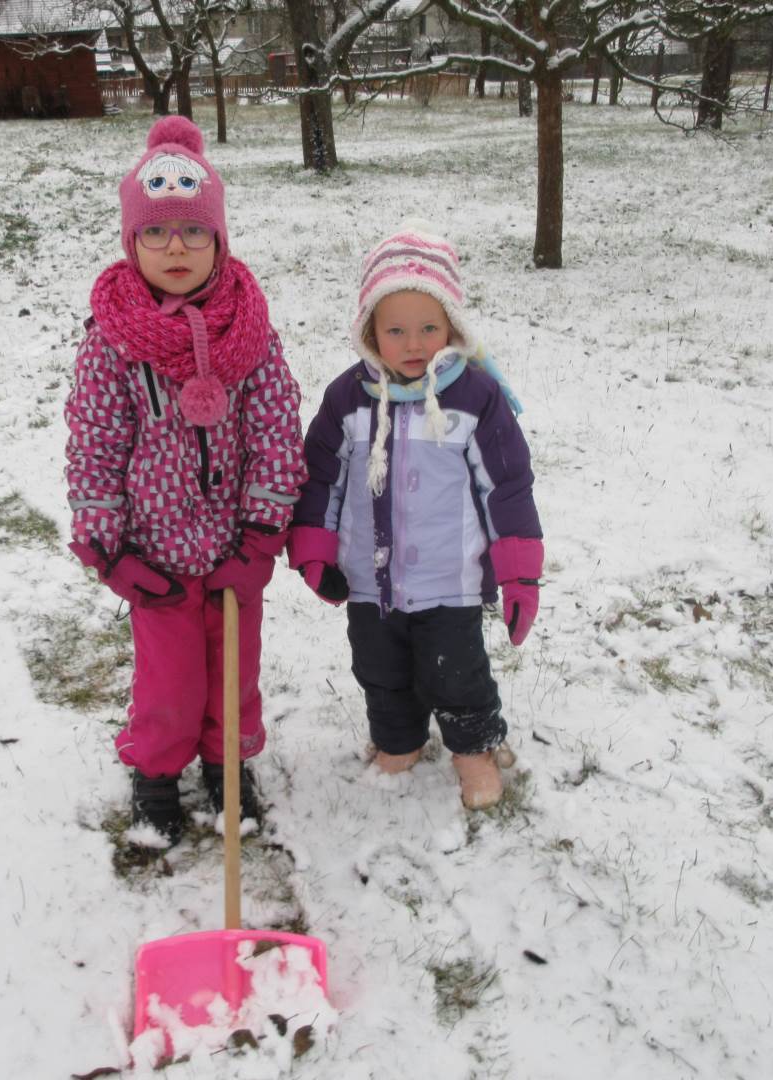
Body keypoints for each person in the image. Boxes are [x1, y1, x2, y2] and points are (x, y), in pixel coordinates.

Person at [64, 116, 306, 846]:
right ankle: (157, 773)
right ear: (131, 241)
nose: (176, 248)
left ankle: (228, 767)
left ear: (219, 240)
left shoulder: (248, 331)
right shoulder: (114, 341)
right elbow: (96, 443)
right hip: (156, 556)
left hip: (234, 549)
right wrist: (108, 548)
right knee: (168, 682)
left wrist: (261, 535)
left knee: (233, 674)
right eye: (157, 232)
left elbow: (276, 430)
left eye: (194, 232)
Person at [287, 220, 543, 811]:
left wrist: (519, 573)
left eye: (429, 327)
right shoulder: (348, 398)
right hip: (368, 580)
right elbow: (321, 476)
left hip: (449, 580)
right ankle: (397, 740)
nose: (413, 344)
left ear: (451, 325)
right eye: (395, 330)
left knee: (457, 671)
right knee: (379, 668)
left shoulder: (475, 399)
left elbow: (506, 487)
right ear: (370, 332)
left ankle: (474, 749)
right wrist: (315, 550)